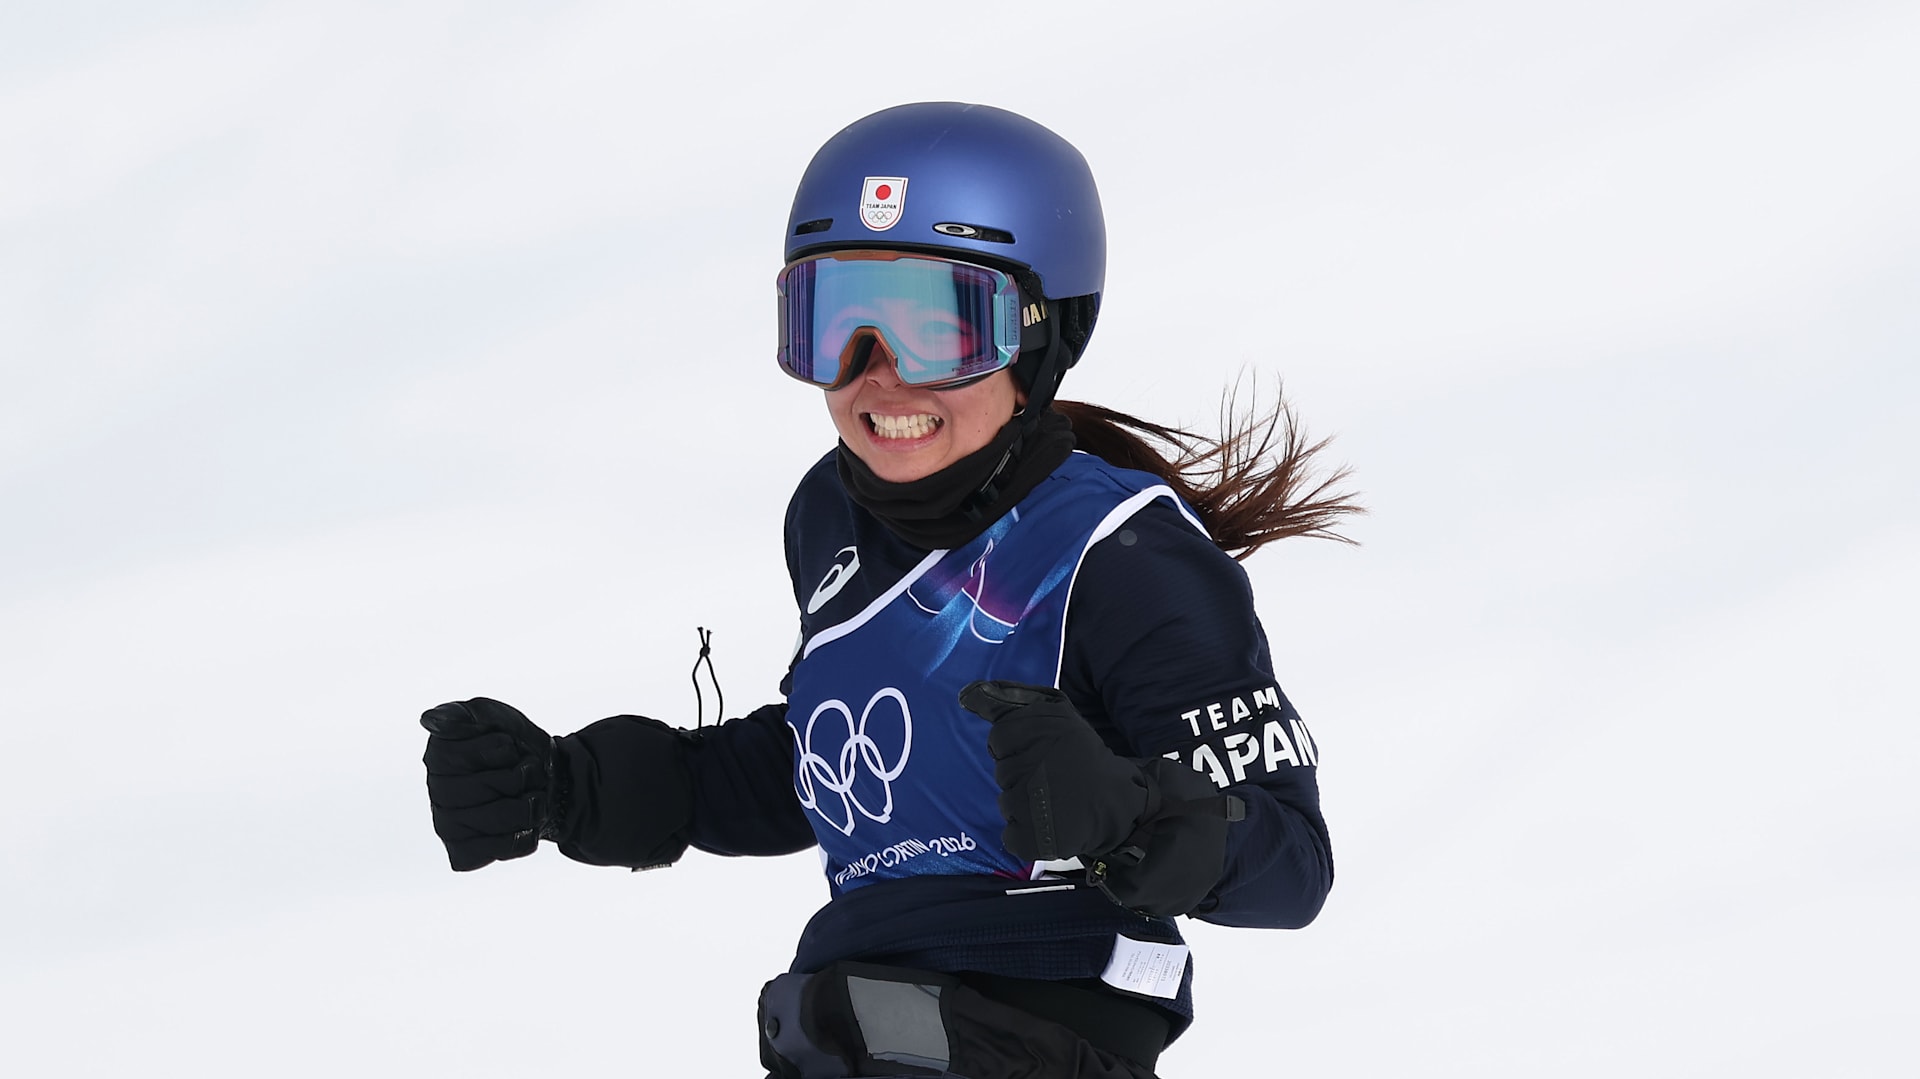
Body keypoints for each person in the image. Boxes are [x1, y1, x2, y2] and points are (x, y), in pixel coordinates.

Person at [420, 102, 1360, 1079]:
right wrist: (577, 787)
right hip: (852, 1029)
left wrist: (1132, 811)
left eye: (938, 330)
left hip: (1042, 1036)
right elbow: (843, 759)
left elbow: (1294, 865)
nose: (877, 379)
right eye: (835, 326)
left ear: (1041, 337)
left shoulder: (1124, 556)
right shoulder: (831, 517)